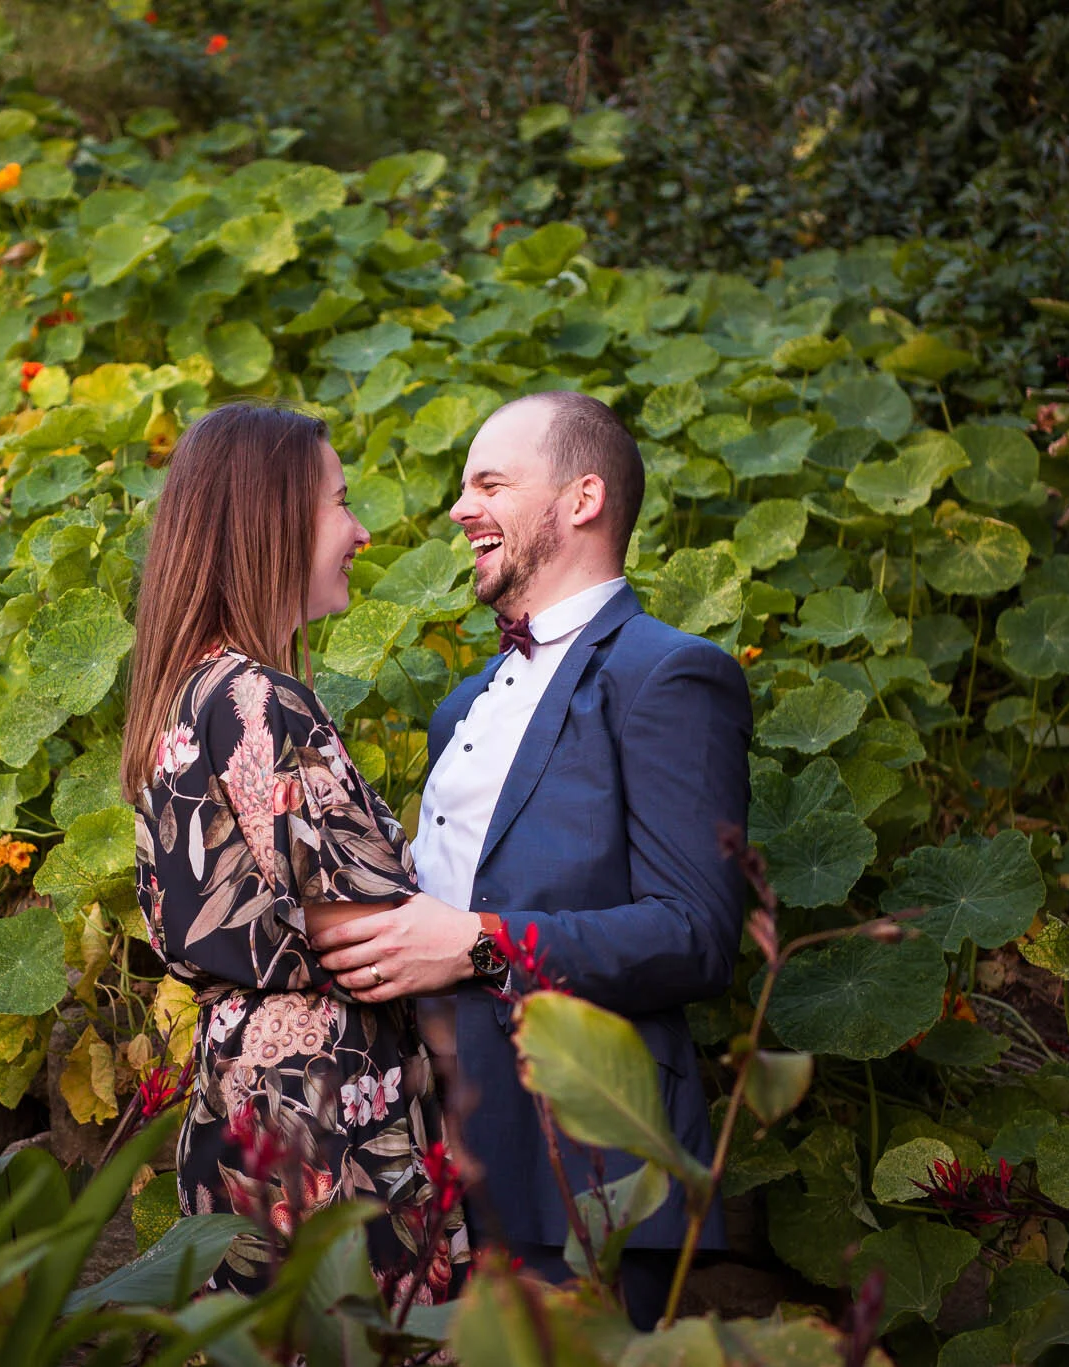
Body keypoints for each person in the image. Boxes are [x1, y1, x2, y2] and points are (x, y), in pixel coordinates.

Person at [308, 390, 752, 1328]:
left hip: (582, 1170)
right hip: (426, 1158)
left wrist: (478, 943)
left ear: (582, 498)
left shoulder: (669, 674)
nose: (461, 508)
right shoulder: (463, 706)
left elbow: (696, 935)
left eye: (491, 483)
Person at [122, 401, 471, 1304]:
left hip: (242, 1100)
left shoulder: (188, 692)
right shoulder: (260, 702)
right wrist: (498, 942)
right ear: (272, 518)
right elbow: (376, 938)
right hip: (320, 1117)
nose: (359, 531)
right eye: (339, 502)